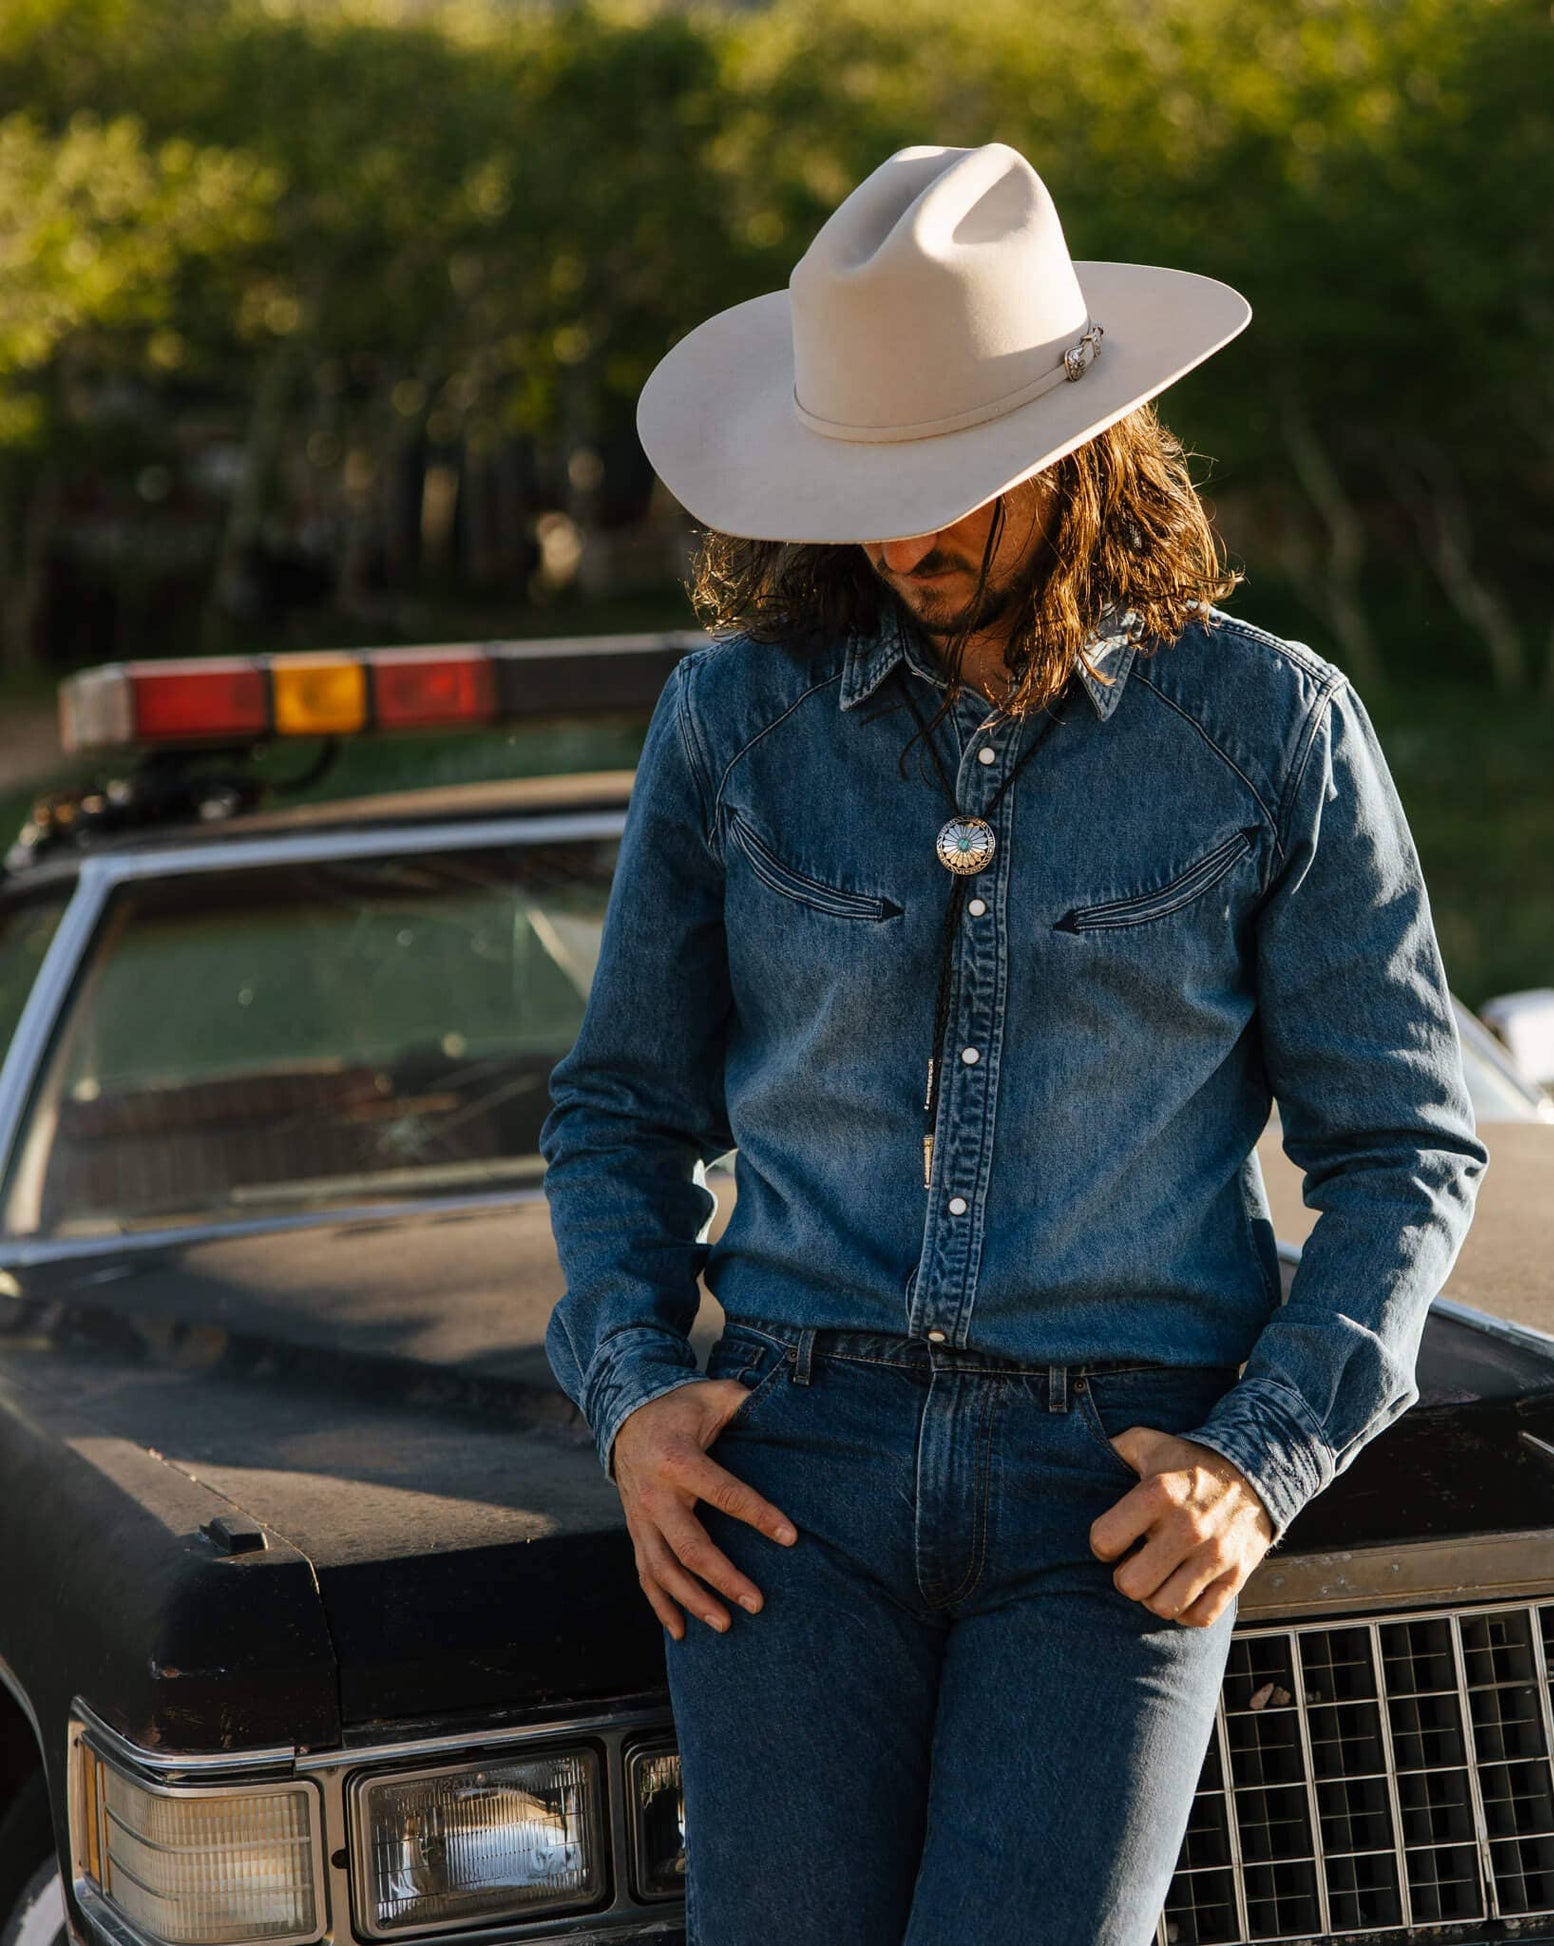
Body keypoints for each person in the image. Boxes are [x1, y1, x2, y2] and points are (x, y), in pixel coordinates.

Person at [541, 141, 1488, 1946]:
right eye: (864, 485)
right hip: (783, 1482)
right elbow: (616, 1108)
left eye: (957, 481)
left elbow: (1405, 1147)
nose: (907, 537)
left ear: (1084, 446)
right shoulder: (733, 722)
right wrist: (633, 1397)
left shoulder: (1266, 729)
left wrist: (1262, 1457)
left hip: (1114, 1498)